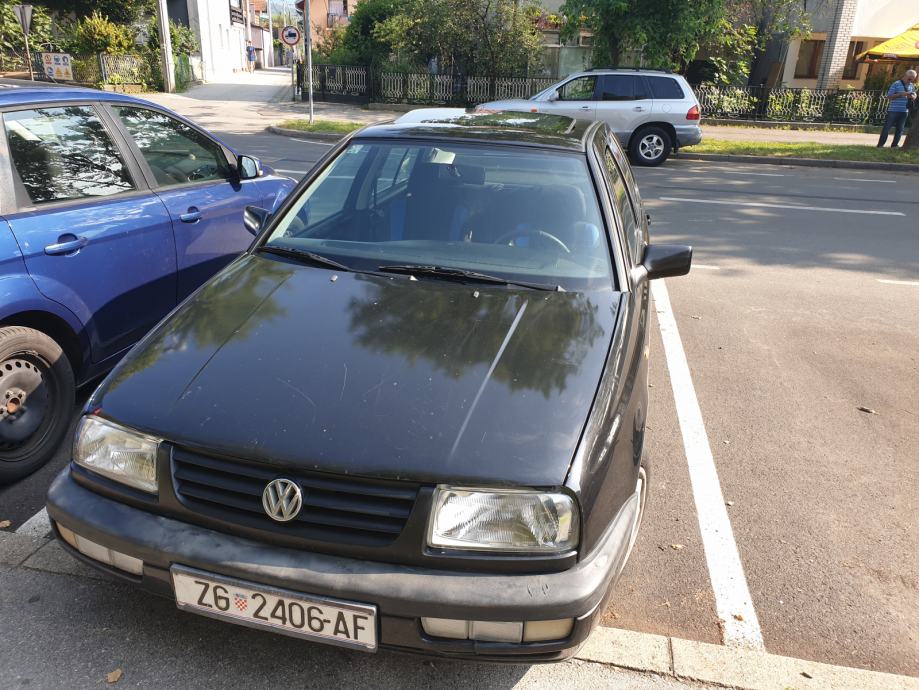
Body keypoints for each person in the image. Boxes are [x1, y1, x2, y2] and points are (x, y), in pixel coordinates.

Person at [877, 69, 917, 148]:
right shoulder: (896, 84)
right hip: (893, 110)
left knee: (900, 129)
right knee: (887, 128)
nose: (911, 81)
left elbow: (914, 95)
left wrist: (913, 96)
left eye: (913, 79)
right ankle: (880, 145)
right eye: (910, 79)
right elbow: (889, 96)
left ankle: (894, 145)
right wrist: (902, 94)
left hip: (904, 110)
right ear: (905, 76)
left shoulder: (911, 85)